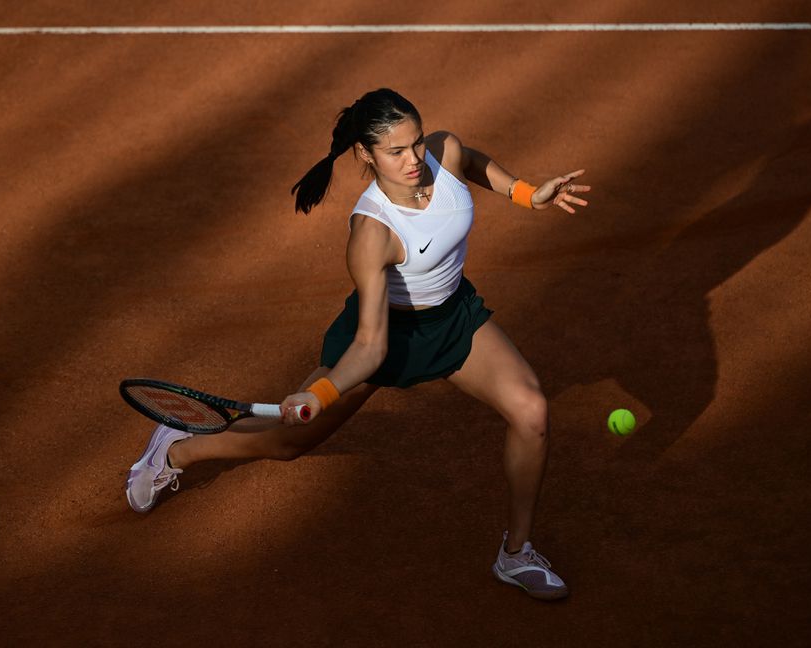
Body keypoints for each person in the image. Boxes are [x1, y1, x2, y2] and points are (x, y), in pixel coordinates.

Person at [126, 88, 590, 600]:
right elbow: (371, 347)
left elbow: (473, 164)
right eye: (396, 152)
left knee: (532, 412)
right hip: (385, 334)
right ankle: (178, 451)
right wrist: (321, 395)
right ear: (366, 155)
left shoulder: (444, 151)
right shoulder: (372, 232)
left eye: (415, 144)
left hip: (454, 318)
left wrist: (526, 193)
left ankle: (516, 554)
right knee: (286, 444)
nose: (414, 160)